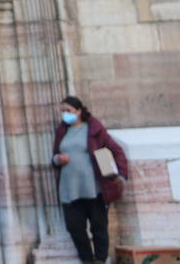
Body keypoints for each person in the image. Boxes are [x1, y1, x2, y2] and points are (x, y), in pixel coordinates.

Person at [52, 95, 128, 264]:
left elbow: (117, 151)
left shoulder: (94, 129)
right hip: (69, 189)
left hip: (94, 188)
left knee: (99, 226)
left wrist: (121, 175)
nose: (65, 114)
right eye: (63, 111)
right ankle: (86, 260)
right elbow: (54, 157)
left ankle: (100, 259)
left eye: (68, 111)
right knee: (74, 227)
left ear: (78, 111)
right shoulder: (62, 131)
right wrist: (57, 159)